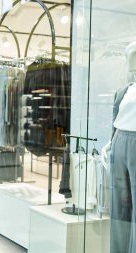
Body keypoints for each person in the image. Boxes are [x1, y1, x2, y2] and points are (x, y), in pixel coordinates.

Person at [102, 41, 136, 253]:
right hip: (120, 142)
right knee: (119, 207)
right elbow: (116, 120)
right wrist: (110, 143)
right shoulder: (125, 90)